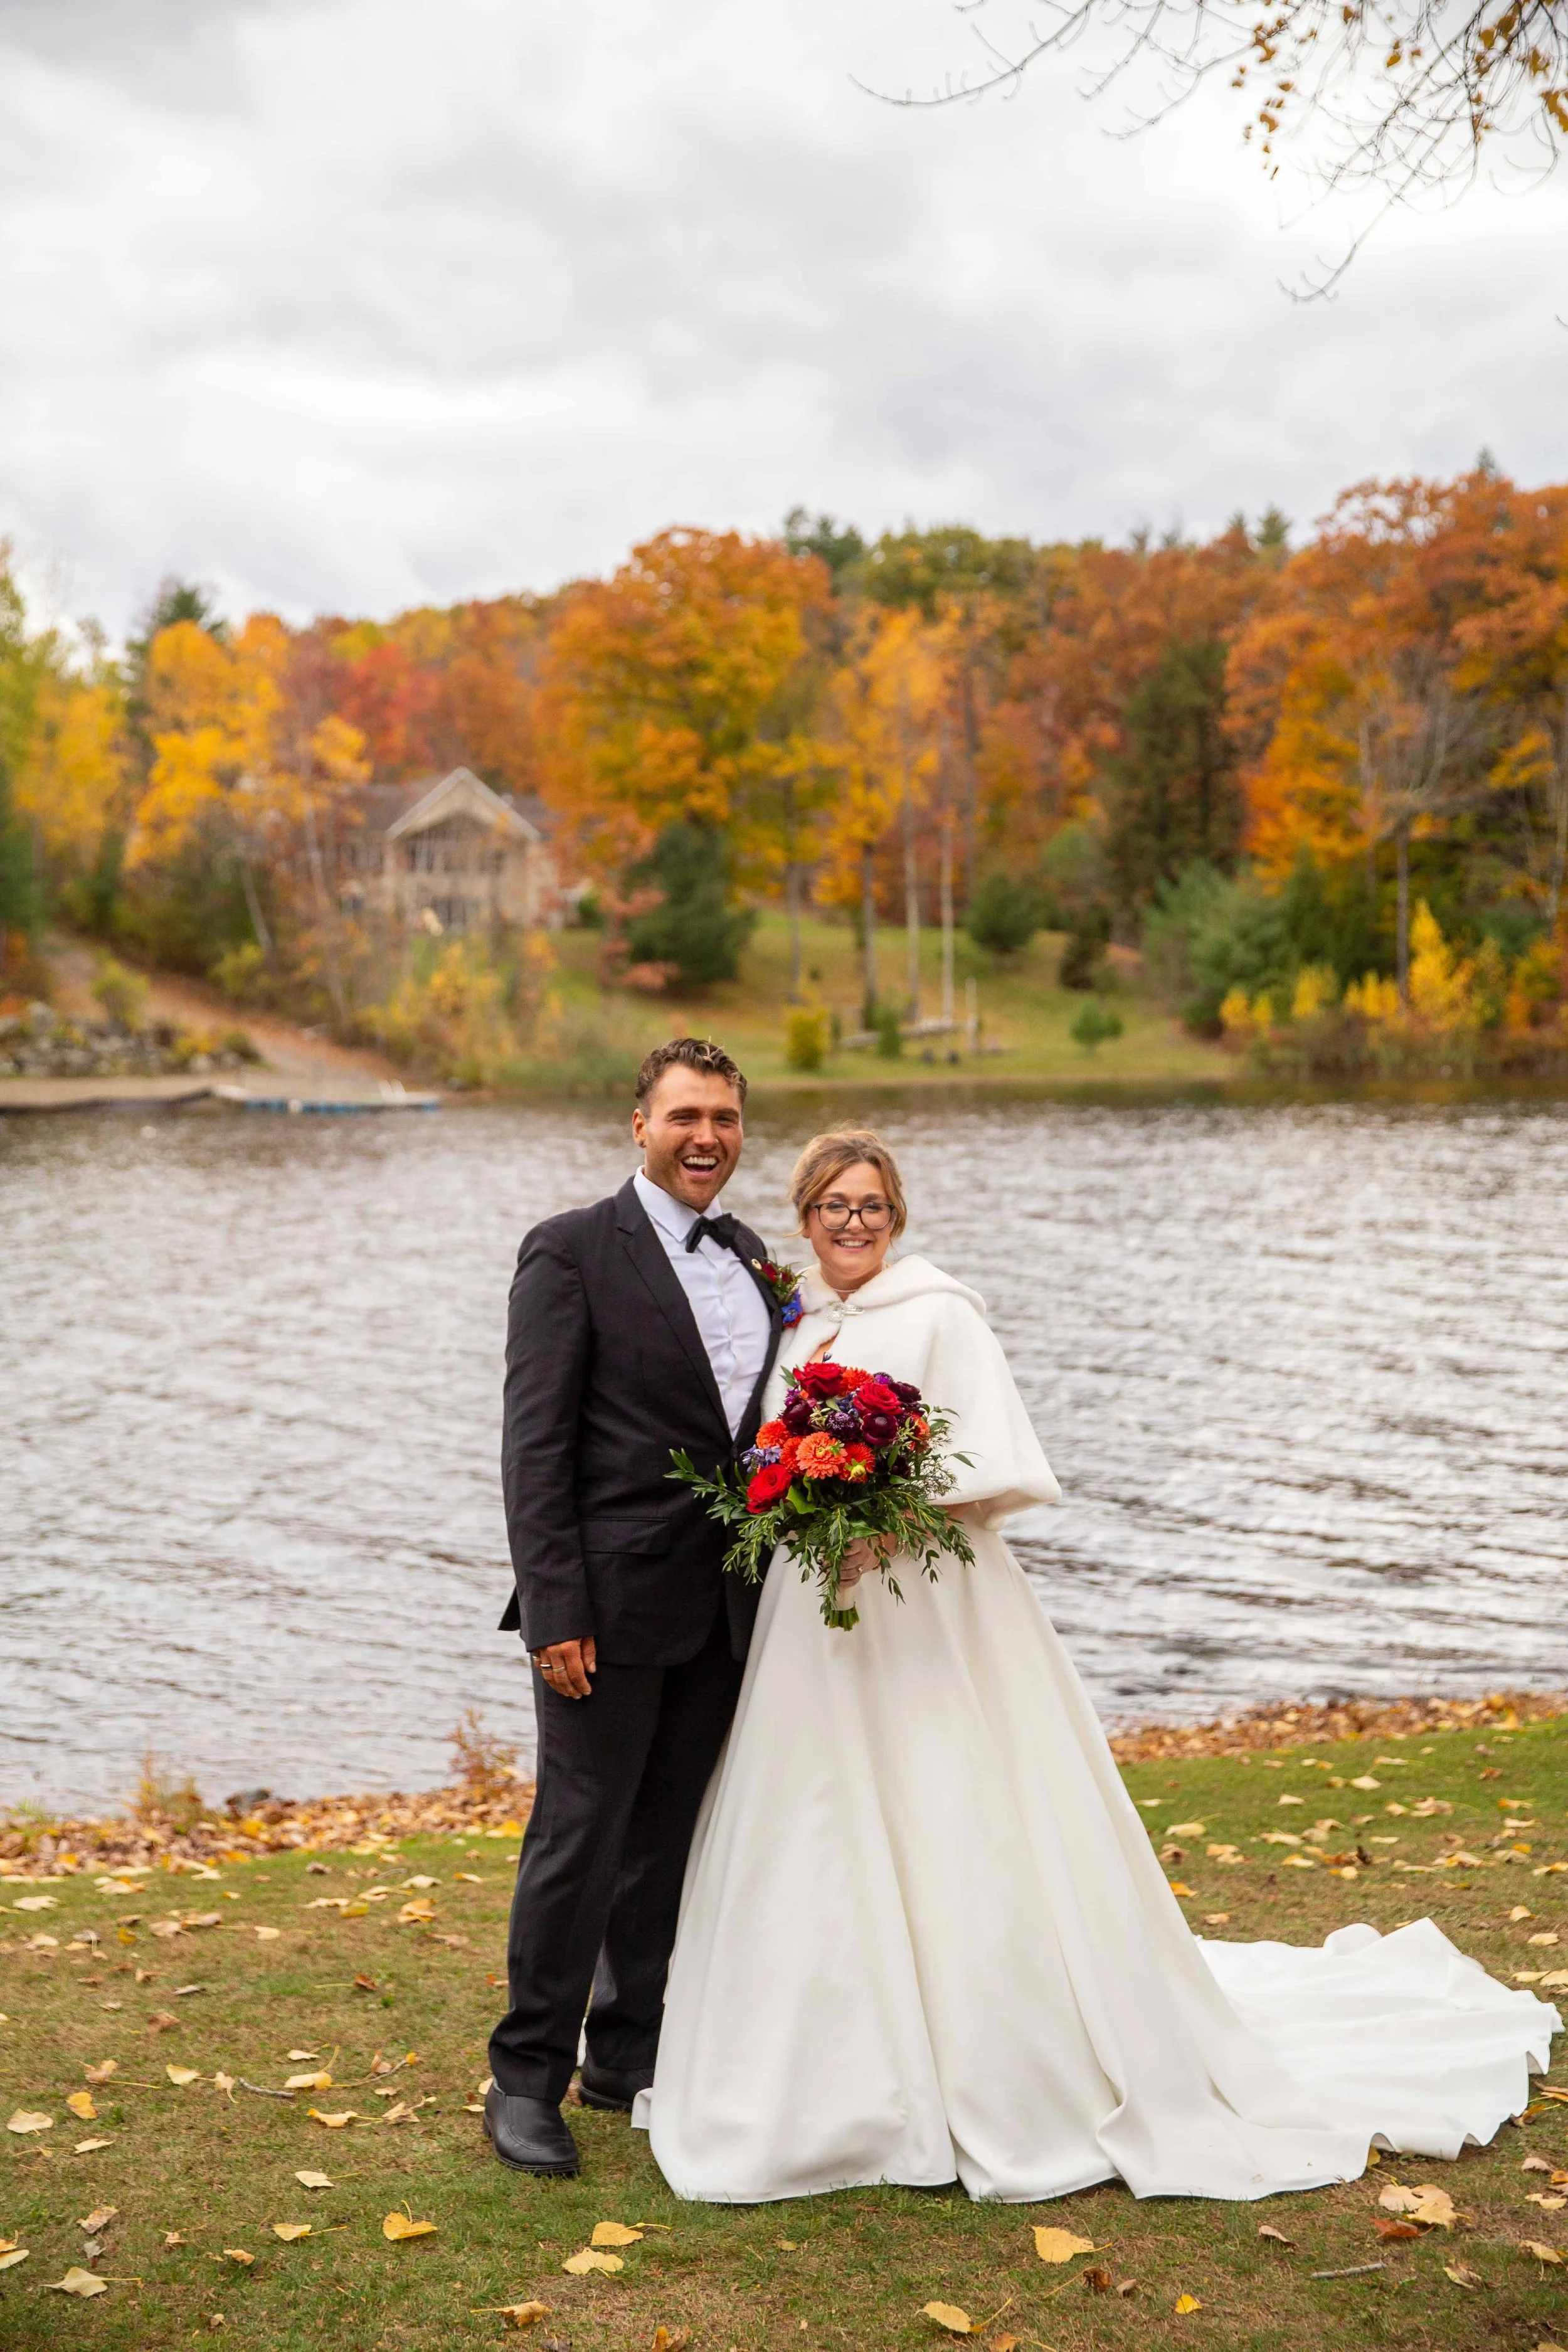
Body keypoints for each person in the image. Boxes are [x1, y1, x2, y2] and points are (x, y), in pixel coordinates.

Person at [634, 1126, 1561, 2203]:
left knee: (952, 1806)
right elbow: (766, 1450)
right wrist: (801, 1493)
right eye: (834, 1205)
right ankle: (812, 2067)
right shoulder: (798, 1316)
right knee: (811, 1813)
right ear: (804, 1216)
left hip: (925, 1601)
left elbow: (990, 1465)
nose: (852, 1223)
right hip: (815, 1609)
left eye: (872, 1206)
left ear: (898, 1217)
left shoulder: (941, 1310)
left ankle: (994, 2060)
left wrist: (890, 1510)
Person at [484, 1036, 783, 2175]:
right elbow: (534, 1448)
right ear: (639, 1124)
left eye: (725, 1117)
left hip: (724, 1605)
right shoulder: (567, 1252)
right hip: (601, 1609)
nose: (706, 1136)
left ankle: (625, 2050)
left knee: (667, 1838)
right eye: (685, 1116)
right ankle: (525, 2078)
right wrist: (556, 1607)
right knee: (579, 1837)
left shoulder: (755, 1255)